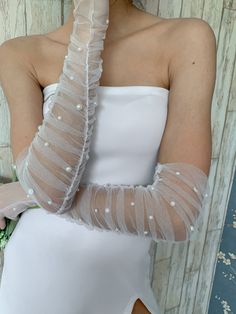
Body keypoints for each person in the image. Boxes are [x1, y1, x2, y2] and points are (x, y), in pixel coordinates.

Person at [0, 0, 216, 313]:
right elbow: (47, 189)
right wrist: (88, 30)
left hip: (122, 276)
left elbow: (176, 213)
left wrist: (24, 192)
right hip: (35, 276)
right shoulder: (19, 53)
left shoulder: (187, 38)